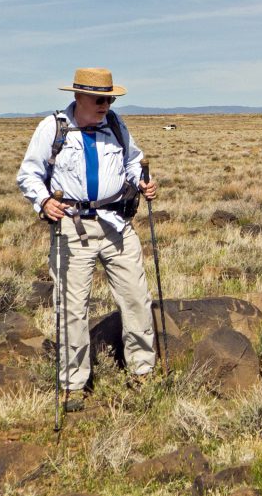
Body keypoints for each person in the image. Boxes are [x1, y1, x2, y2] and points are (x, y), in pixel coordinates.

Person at [17, 67, 158, 412]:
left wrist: (142, 182)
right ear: (78, 97)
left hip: (115, 224)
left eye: (109, 98)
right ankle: (73, 384)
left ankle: (143, 371)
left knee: (137, 297)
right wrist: (44, 201)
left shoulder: (116, 126)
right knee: (72, 307)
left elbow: (133, 162)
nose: (105, 104)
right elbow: (29, 174)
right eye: (99, 99)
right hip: (72, 226)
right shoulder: (53, 128)